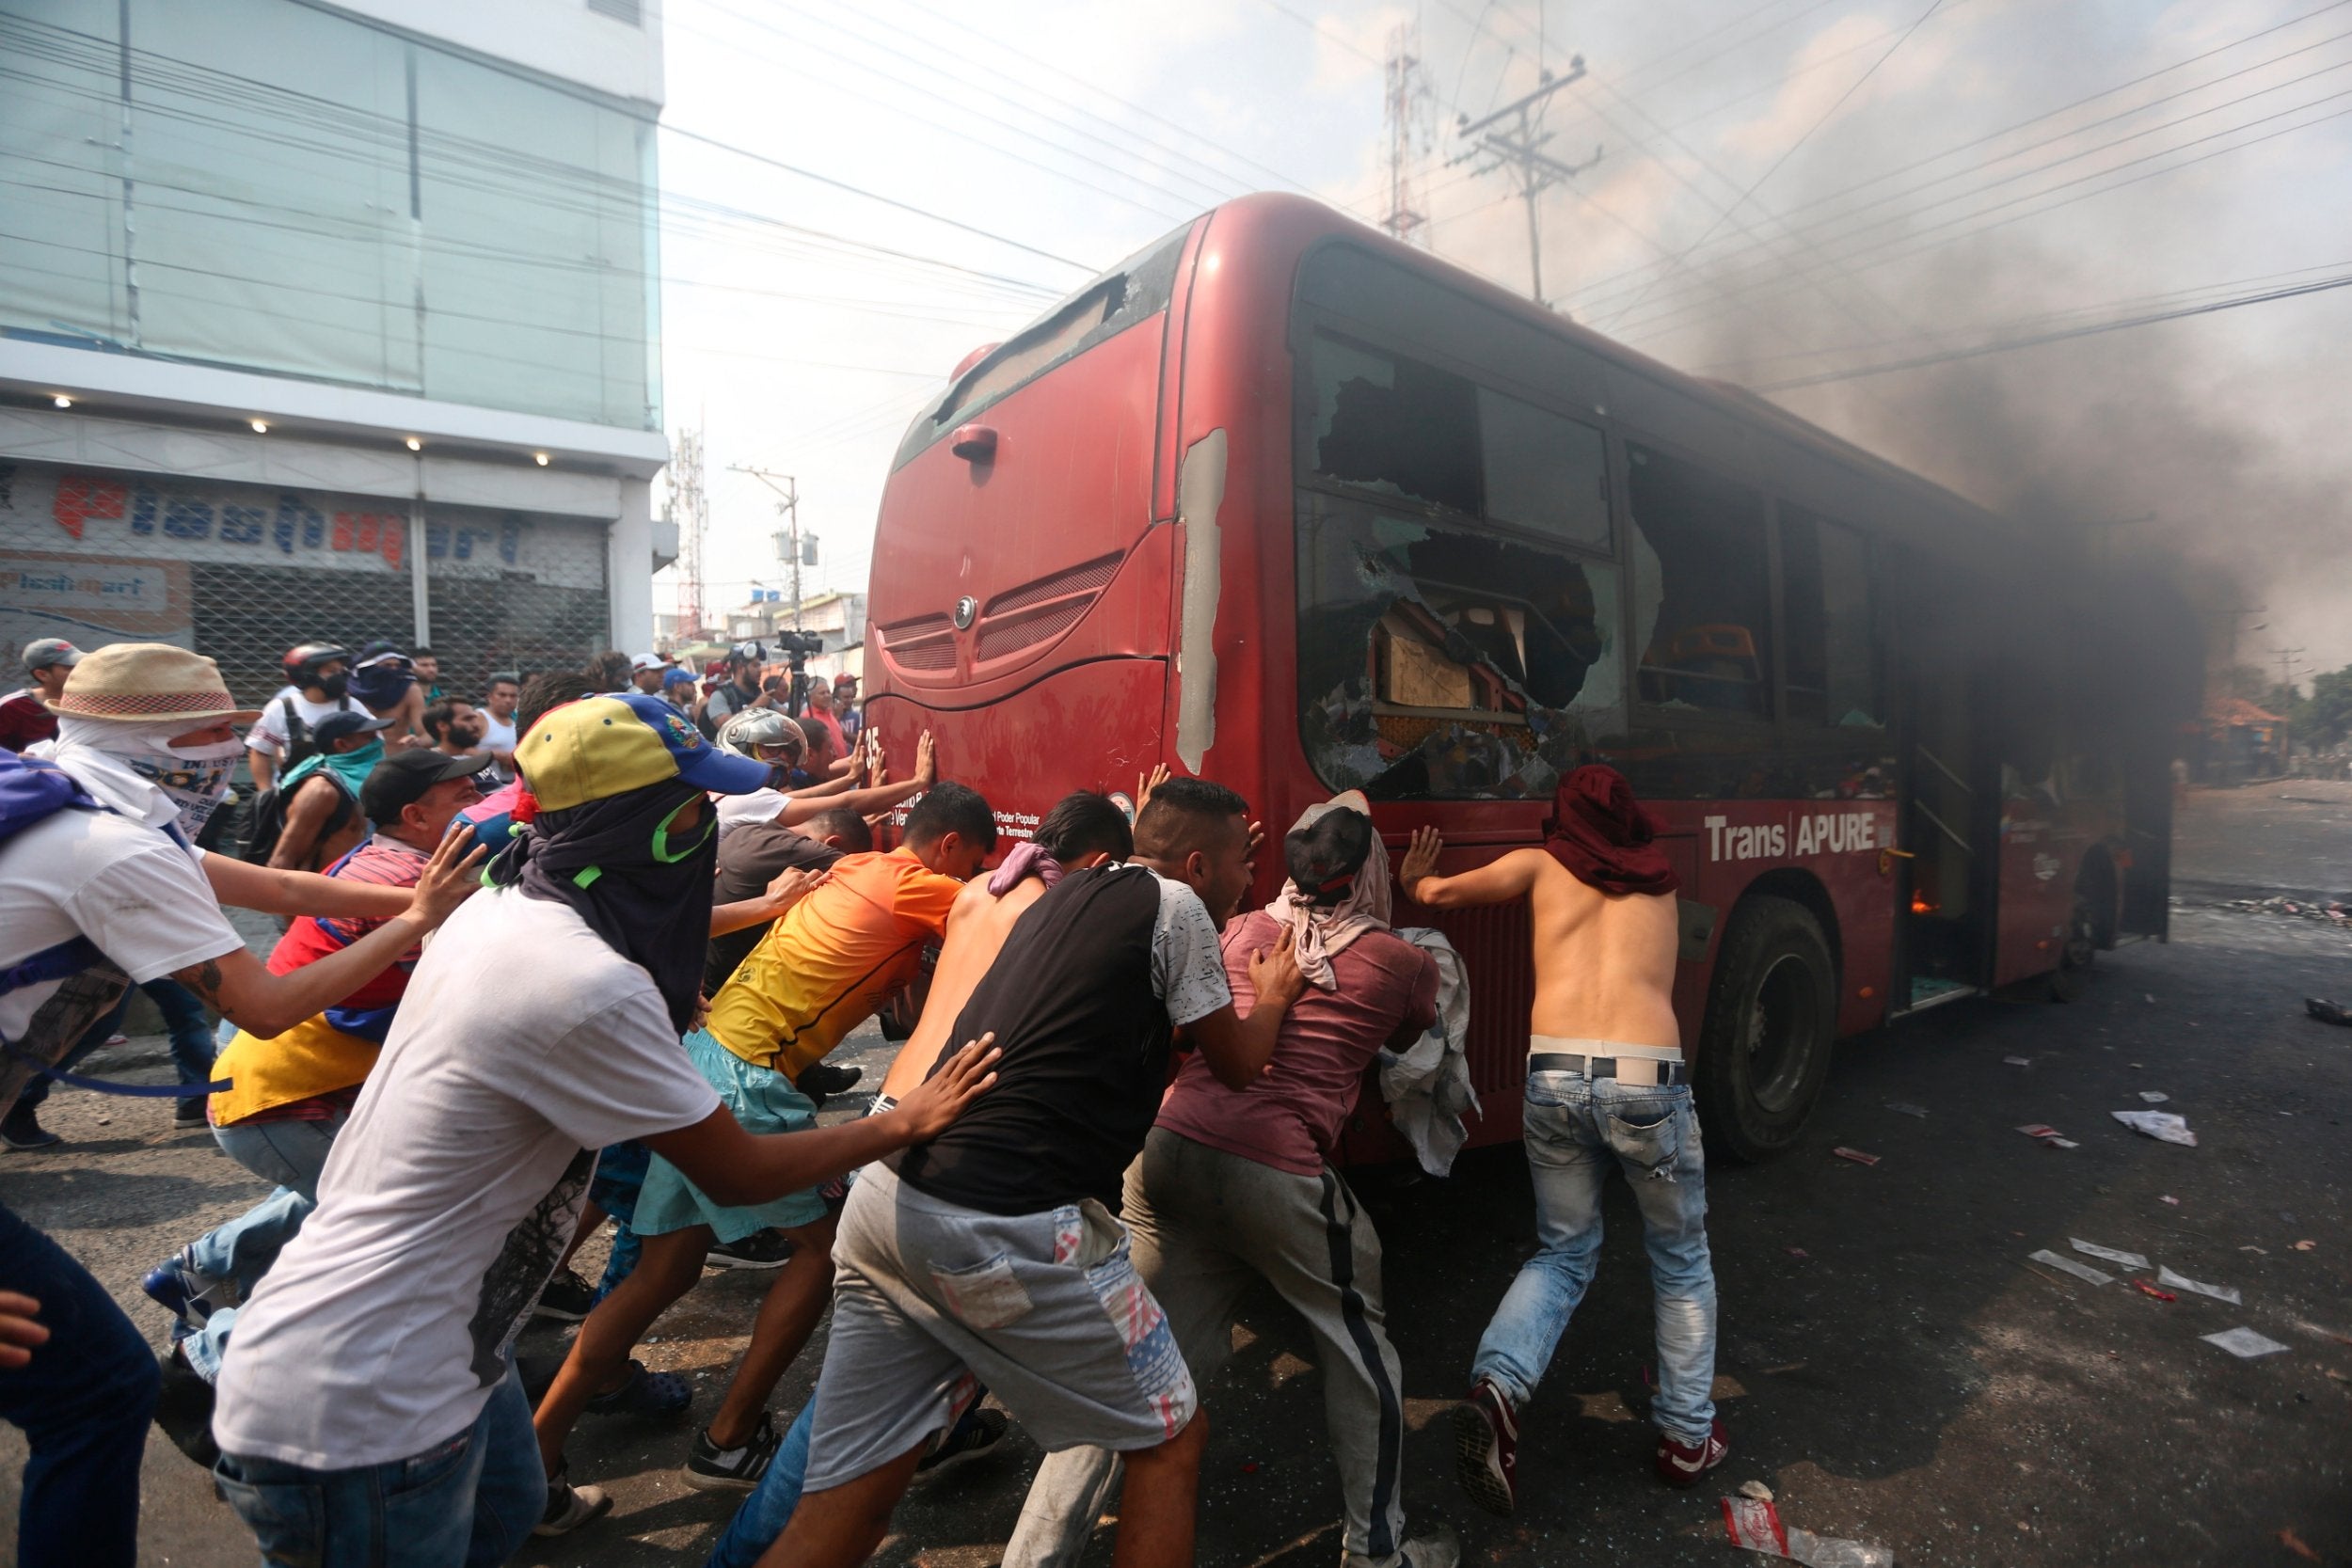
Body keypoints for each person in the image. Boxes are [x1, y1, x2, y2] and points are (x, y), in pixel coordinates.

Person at [208, 689, 1003, 1556]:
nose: (707, 820)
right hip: (363, 1404)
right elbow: (738, 1171)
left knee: (513, 1510)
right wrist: (903, 1120)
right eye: (693, 804)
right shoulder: (583, 982)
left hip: (451, 1350)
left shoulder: (499, 908)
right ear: (648, 828)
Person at [0, 642, 485, 1568]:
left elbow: (283, 884)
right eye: (215, 732)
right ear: (151, 735)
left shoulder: (82, 792)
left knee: (89, 1387)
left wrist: (423, 898)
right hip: (274, 1093)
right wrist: (417, 922)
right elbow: (261, 1009)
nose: (233, 748)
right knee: (98, 1390)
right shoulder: (113, 850)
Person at [763, 776, 1304, 1568]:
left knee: (849, 1498)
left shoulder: (1067, 889)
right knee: (1171, 1437)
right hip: (998, 1221)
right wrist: (1277, 996)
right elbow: (1238, 1062)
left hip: (888, 1198)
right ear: (1197, 863)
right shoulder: (1180, 906)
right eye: (1240, 869)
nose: (1247, 885)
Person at [1006, 792, 1454, 1568]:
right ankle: (1377, 1551)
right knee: (1362, 1349)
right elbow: (1414, 1028)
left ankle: (1034, 1554)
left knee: (1130, 1370)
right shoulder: (1402, 962)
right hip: (1274, 1169)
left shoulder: (1242, 926)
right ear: (1368, 871)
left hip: (1166, 1153)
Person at [701, 790, 1138, 1568]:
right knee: (871, 1421)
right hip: (950, 1147)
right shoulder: (1057, 913)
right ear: (1103, 866)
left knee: (876, 1386)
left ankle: (918, 1432)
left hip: (892, 1124)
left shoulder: (978, 890)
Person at [530, 784, 997, 1507]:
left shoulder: (855, 868)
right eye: (970, 860)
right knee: (823, 1247)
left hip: (700, 1055)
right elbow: (1008, 921)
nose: (966, 878)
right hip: (749, 1079)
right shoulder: (923, 885)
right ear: (948, 847)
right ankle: (730, 1436)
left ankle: (539, 1449)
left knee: (664, 1269)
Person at [1397, 764, 1724, 1512]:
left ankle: (1500, 1388)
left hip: (1553, 1077)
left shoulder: (1540, 865)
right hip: (1648, 1080)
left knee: (1564, 1250)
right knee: (1679, 1258)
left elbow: (1440, 895)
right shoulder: (1663, 884)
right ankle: (1686, 1436)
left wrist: (1420, 878)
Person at [148, 747, 496, 1397]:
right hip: (284, 1100)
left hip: (284, 1087)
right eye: (463, 796)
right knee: (390, 1242)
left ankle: (205, 1268)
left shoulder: (392, 862)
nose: (481, 801)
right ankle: (213, 1356)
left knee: (344, 1206)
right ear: (417, 815)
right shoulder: (413, 885)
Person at [713, 710, 932, 842]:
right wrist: (918, 782)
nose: (784, 760)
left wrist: (855, 782)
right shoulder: (746, 798)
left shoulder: (728, 791)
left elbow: (800, 801)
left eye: (789, 753)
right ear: (741, 747)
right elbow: (846, 802)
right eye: (772, 750)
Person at [264, 708, 393, 873]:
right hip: (326, 891)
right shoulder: (322, 790)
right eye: (369, 737)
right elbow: (282, 860)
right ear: (342, 745)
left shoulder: (377, 783)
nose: (379, 743)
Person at [245, 641, 353, 793]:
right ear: (308, 674)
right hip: (293, 792)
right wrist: (265, 793)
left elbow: (375, 743)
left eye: (341, 671)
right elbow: (260, 752)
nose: (340, 676)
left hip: (347, 790)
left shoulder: (350, 705)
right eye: (331, 671)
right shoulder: (283, 707)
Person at [0, 639, 81, 752]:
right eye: (69, 668)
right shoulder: (13, 707)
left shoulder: (95, 700)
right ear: (42, 675)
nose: (79, 670)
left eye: (80, 664)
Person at [349, 641, 427, 746]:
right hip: (361, 760)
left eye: (397, 666)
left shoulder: (410, 691)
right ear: (369, 667)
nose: (393, 670)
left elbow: (425, 734)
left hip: (398, 758)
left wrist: (416, 742)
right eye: (387, 665)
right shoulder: (350, 692)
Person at [697, 642, 773, 741]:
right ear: (741, 668)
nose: (760, 670)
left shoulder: (759, 694)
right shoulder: (720, 696)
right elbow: (726, 727)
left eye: (759, 666)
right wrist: (756, 705)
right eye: (755, 666)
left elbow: (785, 715)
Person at [480, 673, 521, 781]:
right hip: (484, 786)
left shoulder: (516, 723)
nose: (508, 700)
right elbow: (463, 751)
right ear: (489, 697)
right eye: (502, 695)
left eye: (513, 696)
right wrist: (495, 755)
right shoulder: (479, 718)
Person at [799, 678, 848, 759]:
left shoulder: (830, 714)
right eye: (822, 693)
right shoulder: (807, 718)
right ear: (811, 697)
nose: (827, 695)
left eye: (828, 692)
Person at [422, 696, 486, 757]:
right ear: (442, 726)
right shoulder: (428, 765)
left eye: (474, 718)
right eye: (467, 719)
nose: (476, 725)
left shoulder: (480, 763)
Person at [832, 673, 862, 747]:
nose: (855, 687)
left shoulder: (856, 715)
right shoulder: (828, 715)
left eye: (851, 697)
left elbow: (861, 740)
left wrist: (841, 732)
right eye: (851, 684)